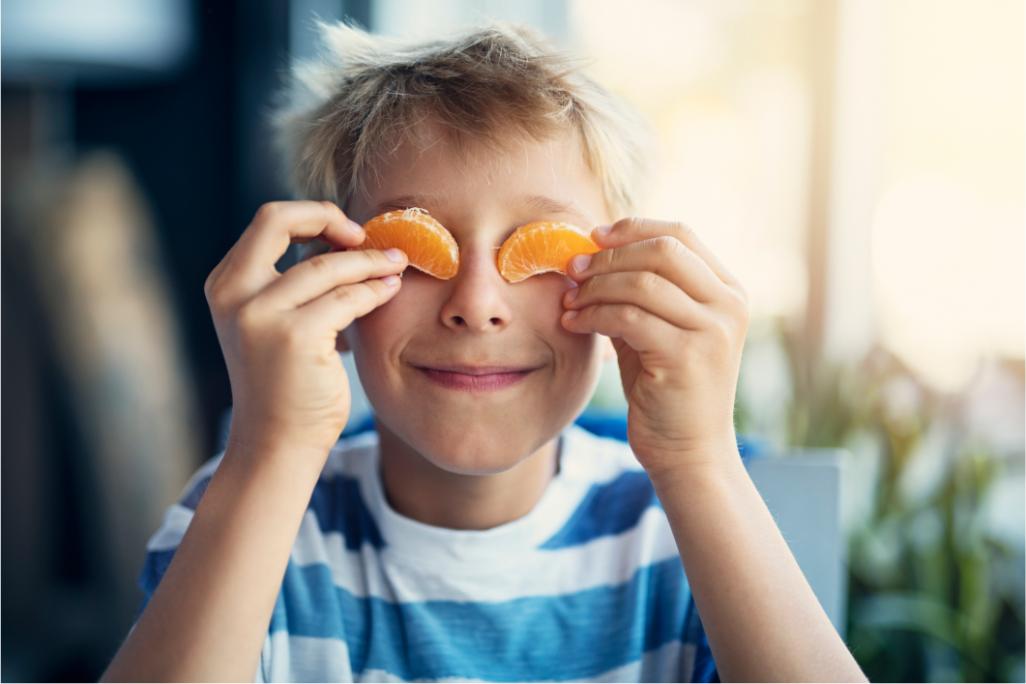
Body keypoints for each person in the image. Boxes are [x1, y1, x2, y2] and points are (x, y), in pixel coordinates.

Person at [101, 20, 867, 683]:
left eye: (535, 253)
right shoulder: (248, 517)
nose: (475, 304)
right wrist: (273, 446)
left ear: (624, 281)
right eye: (417, 247)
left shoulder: (683, 541)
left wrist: (699, 459)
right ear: (329, 273)